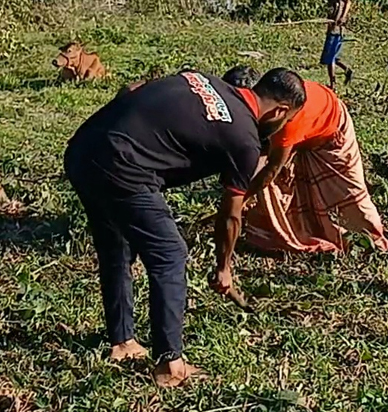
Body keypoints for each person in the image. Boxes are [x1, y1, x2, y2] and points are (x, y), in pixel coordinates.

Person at [65, 69, 306, 387]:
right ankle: (170, 364)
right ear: (279, 111)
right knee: (170, 254)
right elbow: (231, 214)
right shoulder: (245, 139)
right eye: (286, 122)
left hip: (84, 148)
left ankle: (123, 342)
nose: (281, 128)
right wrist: (224, 267)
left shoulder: (202, 79)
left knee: (117, 243)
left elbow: (133, 88)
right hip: (123, 168)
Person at [241, 69, 388, 254]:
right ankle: (271, 235)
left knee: (349, 199)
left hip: (332, 134)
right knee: (281, 190)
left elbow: (271, 169)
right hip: (307, 134)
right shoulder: (280, 108)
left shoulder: (287, 123)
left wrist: (239, 200)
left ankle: (370, 243)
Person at [319, 0, 354, 90]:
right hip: (334, 27)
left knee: (329, 57)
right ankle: (347, 70)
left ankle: (332, 85)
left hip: (336, 29)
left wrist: (342, 18)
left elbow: (347, 2)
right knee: (333, 56)